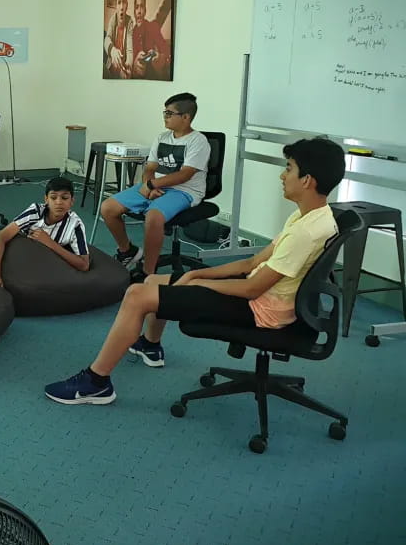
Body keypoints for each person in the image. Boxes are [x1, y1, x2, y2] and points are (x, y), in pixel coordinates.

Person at [45, 137, 346, 406]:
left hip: (259, 309)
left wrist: (198, 279)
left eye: (289, 168)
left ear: (307, 180)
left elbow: (251, 289)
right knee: (152, 279)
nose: (283, 175)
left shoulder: (304, 233)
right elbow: (250, 264)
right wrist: (195, 277)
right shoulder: (309, 217)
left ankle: (96, 383)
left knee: (137, 294)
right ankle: (150, 345)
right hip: (261, 294)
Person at [101, 92, 210, 281]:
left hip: (185, 191)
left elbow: (185, 174)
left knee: (153, 216)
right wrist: (148, 186)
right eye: (164, 112)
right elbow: (150, 167)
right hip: (157, 185)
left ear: (185, 117)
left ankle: (147, 272)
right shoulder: (162, 137)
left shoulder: (198, 141)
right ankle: (127, 251)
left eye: (170, 113)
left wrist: (152, 184)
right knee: (108, 208)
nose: (165, 117)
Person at [131, 0, 171, 80]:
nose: (139, 11)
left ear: (145, 10)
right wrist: (134, 66)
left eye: (142, 7)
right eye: (136, 7)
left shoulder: (153, 27)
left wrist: (161, 59)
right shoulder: (130, 34)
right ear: (134, 11)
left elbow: (167, 51)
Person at [104, 0, 134, 79]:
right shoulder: (113, 20)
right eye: (119, 2)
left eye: (124, 2)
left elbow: (130, 50)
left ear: (127, 5)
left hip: (122, 71)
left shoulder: (130, 22)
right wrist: (112, 50)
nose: (121, 7)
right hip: (110, 70)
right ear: (116, 6)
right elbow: (107, 39)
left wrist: (128, 66)